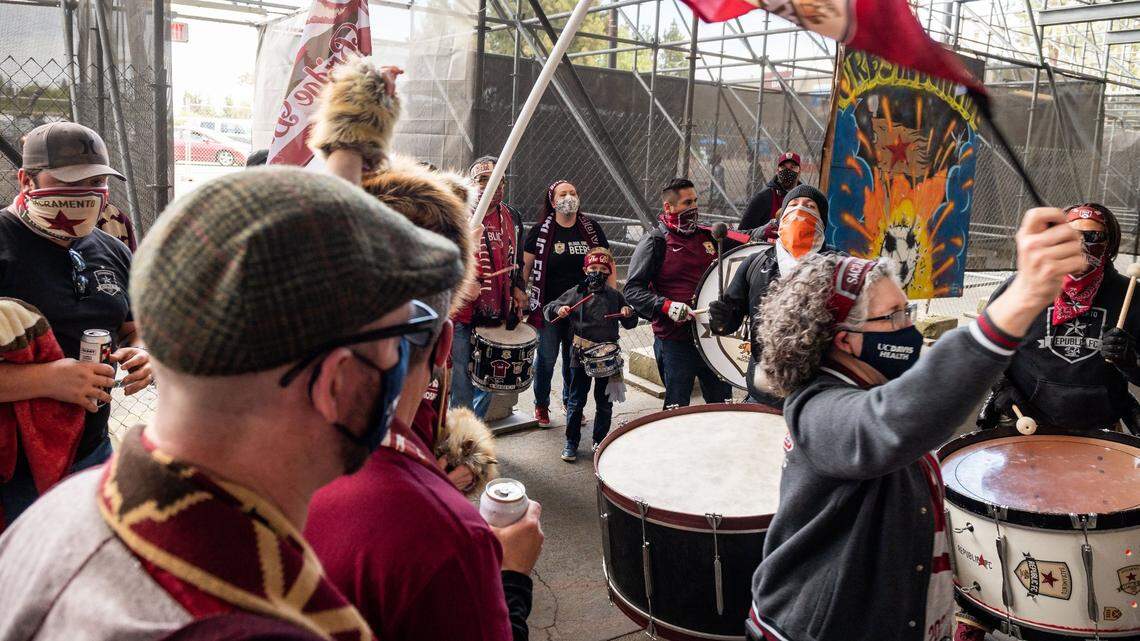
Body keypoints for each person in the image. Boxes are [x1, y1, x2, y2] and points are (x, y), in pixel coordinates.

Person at [0, 55, 449, 640]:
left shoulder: (67, 519)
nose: (412, 360)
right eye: (400, 337)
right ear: (337, 383)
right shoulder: (247, 622)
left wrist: (349, 147)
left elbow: (276, 285)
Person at [745, 207, 1085, 641]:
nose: (910, 329)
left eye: (908, 312)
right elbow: (893, 423)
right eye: (895, 317)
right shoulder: (817, 410)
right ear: (845, 338)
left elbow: (933, 400)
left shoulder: (876, 384)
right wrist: (1023, 297)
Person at [0, 122, 152, 526]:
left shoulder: (113, 249)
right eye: (68, 181)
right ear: (26, 180)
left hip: (91, 449)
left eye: (97, 181)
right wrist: (46, 380)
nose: (85, 193)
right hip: (15, 470)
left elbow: (132, 324)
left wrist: (141, 351)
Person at [980, 203, 1140, 433]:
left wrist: (1129, 361)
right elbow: (984, 349)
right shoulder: (1021, 287)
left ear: (1109, 243)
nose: (1081, 244)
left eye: (1093, 236)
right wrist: (1001, 387)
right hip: (1024, 423)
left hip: (1100, 429)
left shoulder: (1132, 297)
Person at [624, 178, 746, 409]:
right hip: (675, 342)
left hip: (712, 337)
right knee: (677, 408)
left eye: (695, 201)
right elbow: (632, 290)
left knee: (721, 406)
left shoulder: (708, 236)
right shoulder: (655, 242)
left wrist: (768, 230)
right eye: (687, 203)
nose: (694, 208)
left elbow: (745, 238)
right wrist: (667, 306)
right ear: (668, 207)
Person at [708, 185, 832, 406]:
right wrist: (721, 319)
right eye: (793, 205)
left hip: (818, 395)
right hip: (763, 393)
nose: (800, 211)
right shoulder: (754, 264)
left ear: (822, 220)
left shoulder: (838, 265)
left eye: (810, 206)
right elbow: (728, 324)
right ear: (782, 218)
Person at [523, 179, 609, 426]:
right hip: (549, 309)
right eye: (563, 194)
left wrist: (611, 297)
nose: (569, 197)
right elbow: (526, 268)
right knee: (547, 359)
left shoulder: (591, 228)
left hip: (582, 309)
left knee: (574, 359)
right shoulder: (539, 232)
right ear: (552, 201)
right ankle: (541, 405)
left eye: (573, 192)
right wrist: (520, 295)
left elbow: (607, 262)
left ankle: (571, 403)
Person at [451, 156, 527, 419]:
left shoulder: (512, 217)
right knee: (460, 374)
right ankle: (460, 435)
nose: (491, 184)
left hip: (498, 310)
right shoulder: (457, 213)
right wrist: (464, 279)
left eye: (498, 179)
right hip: (463, 312)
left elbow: (516, 260)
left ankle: (477, 427)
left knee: (491, 375)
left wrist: (519, 288)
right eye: (483, 179)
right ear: (471, 182)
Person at [544, 248, 636, 462]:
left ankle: (600, 441)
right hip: (580, 354)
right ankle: (571, 442)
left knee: (604, 402)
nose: (597, 272)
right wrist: (560, 310)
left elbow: (630, 322)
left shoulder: (614, 295)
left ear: (609, 272)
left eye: (603, 269)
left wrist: (628, 312)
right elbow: (549, 309)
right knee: (576, 400)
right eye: (593, 268)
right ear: (585, 269)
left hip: (608, 357)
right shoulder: (576, 292)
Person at [738, 151, 801, 231]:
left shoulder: (804, 198)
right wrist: (763, 232)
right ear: (777, 171)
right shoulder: (764, 197)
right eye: (784, 167)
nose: (787, 171)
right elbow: (742, 232)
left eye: (792, 167)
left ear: (799, 172)